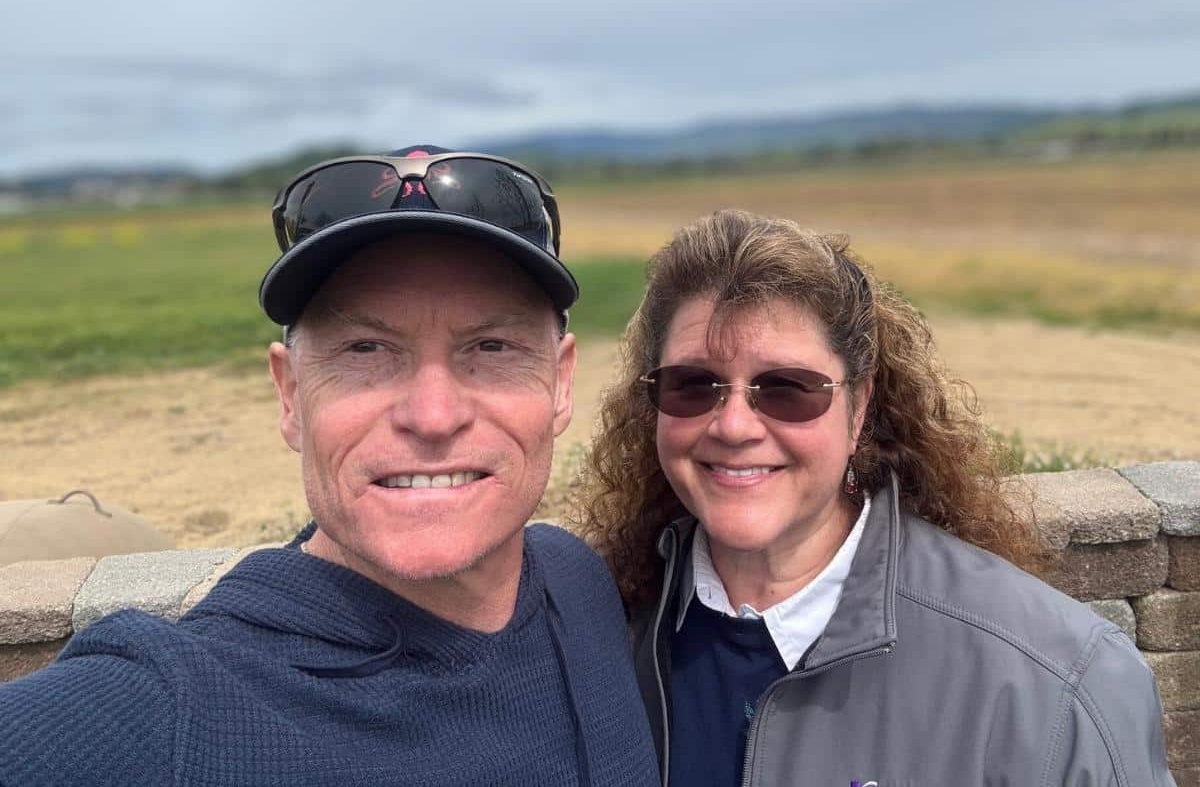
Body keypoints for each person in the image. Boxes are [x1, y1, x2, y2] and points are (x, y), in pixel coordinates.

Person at [0, 146, 660, 787]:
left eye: (492, 346)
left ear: (561, 384)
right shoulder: (173, 708)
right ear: (291, 395)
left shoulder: (576, 583)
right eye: (366, 348)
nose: (432, 416)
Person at [572, 209, 1176, 786]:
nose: (734, 426)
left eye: (786, 388)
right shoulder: (594, 635)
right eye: (693, 385)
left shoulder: (1056, 683)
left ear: (858, 409)